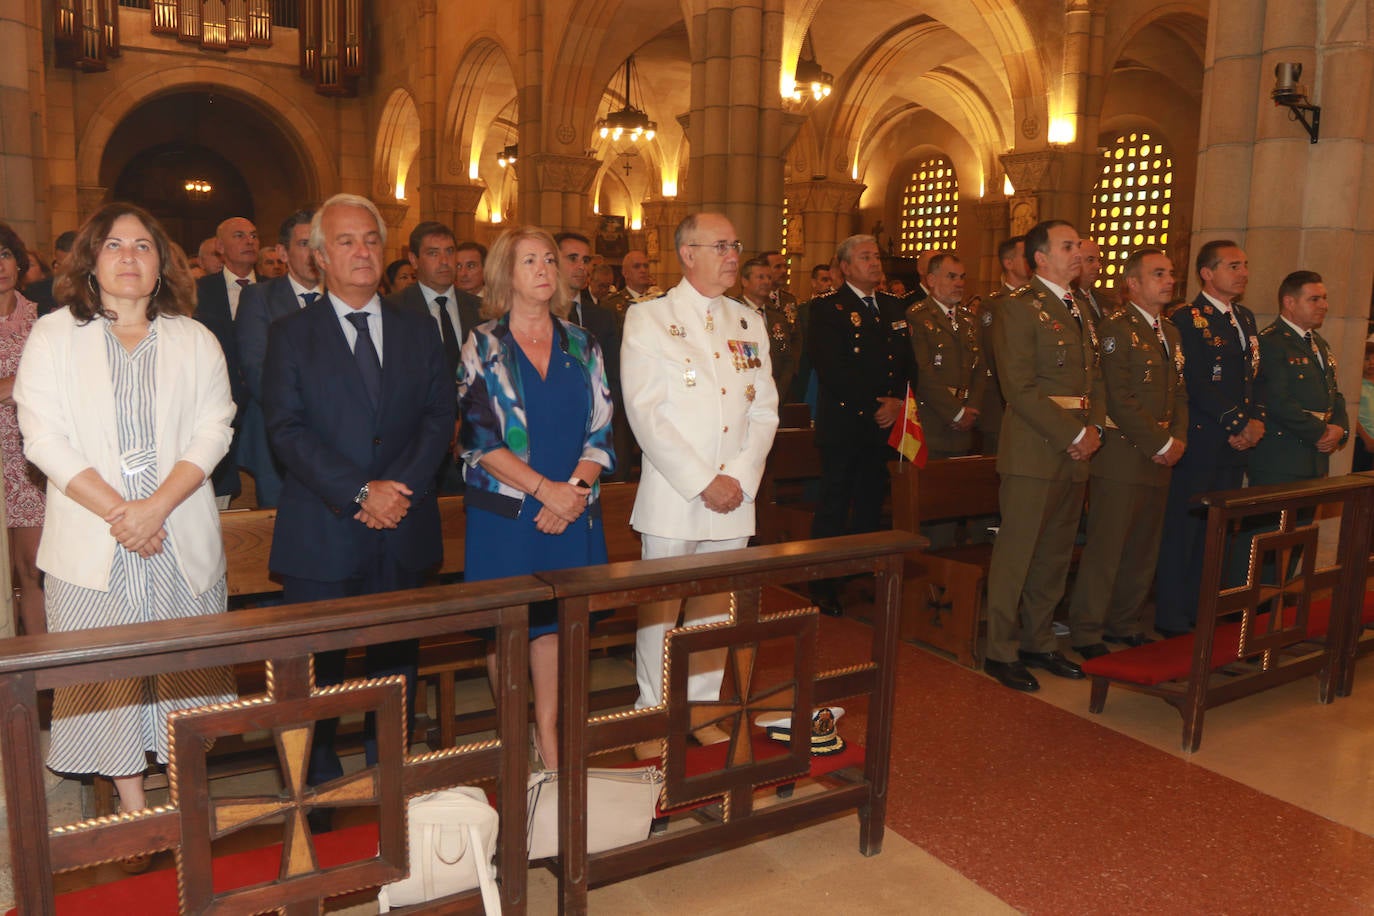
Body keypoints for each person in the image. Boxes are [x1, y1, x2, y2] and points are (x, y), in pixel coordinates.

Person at [13, 203, 236, 837]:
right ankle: (136, 810)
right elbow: (42, 437)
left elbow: (214, 428)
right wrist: (123, 514)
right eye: (114, 245)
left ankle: (184, 794)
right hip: (94, 534)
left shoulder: (196, 339)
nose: (130, 256)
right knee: (107, 679)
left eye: (143, 245)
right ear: (91, 260)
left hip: (177, 530)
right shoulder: (55, 335)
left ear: (162, 262)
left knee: (184, 672)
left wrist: (156, 508)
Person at [262, 194, 453, 810]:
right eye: (346, 241)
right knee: (318, 673)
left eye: (371, 239)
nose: (362, 251)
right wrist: (359, 492)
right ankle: (315, 793)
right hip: (323, 530)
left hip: (402, 525)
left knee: (397, 667)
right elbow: (286, 429)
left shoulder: (417, 327)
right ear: (318, 257)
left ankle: (391, 777)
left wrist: (397, 490)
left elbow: (438, 415)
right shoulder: (290, 334)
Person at [621, 212, 779, 756]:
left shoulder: (747, 321)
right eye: (720, 245)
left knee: (717, 609)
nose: (733, 254)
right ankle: (652, 715)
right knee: (661, 612)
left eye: (735, 244)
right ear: (687, 253)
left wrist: (737, 478)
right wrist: (703, 480)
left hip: (734, 495)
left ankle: (704, 709)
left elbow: (766, 412)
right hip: (674, 492)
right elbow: (646, 414)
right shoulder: (649, 318)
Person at [457, 226, 615, 769]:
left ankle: (550, 738)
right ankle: (512, 736)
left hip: (572, 513)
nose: (545, 269)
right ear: (506, 273)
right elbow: (478, 440)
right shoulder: (484, 344)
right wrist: (544, 492)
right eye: (530, 261)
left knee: (553, 630)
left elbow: (602, 433)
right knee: (509, 629)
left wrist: (569, 495)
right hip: (507, 513)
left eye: (549, 259)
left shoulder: (583, 343)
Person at [982, 219, 1105, 692]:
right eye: (1068, 246)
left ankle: (1038, 641)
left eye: (1078, 246)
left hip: (1077, 448)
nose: (1078, 253)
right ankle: (1000, 649)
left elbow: (1095, 380)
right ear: (1040, 258)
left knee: (1054, 553)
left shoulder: (1081, 309)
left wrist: (1093, 429)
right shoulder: (1018, 309)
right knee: (1018, 552)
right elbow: (1019, 387)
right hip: (1035, 449)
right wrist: (1072, 433)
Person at [1066, 248, 1187, 659]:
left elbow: (1179, 393)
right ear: (1132, 283)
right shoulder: (1116, 328)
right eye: (1158, 274)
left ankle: (1125, 621)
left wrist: (1178, 439)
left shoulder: (1169, 332)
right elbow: (1118, 396)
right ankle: (1086, 630)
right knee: (1108, 546)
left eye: (1170, 273)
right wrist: (1161, 442)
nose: (1169, 280)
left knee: (1142, 546)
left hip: (1161, 454)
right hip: (1122, 454)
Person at [1153, 240, 1264, 637]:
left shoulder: (1245, 318)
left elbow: (1253, 378)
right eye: (1234, 265)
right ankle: (1171, 616)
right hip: (1201, 441)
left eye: (1245, 265)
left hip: (1234, 444)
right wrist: (1237, 424)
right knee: (1185, 531)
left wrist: (1255, 423)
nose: (1244, 272)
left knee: (1217, 532)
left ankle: (1202, 610)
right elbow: (1195, 382)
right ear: (1207, 272)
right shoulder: (1187, 318)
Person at [807, 234, 916, 616]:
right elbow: (832, 369)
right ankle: (823, 581)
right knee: (835, 504)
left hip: (884, 424)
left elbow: (905, 362)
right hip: (846, 423)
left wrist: (898, 401)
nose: (875, 262)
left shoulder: (892, 306)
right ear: (846, 267)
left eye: (876, 256)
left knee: (871, 503)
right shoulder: (828, 309)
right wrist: (875, 405)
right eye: (865, 257)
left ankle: (860, 573)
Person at [385, 221, 482, 494]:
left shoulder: (480, 310)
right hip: (414, 444)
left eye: (450, 251)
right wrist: (439, 425)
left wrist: (468, 419)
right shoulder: (392, 310)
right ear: (414, 260)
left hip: (474, 440)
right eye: (433, 253)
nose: (444, 261)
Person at [234, 209, 320, 508]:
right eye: (304, 243)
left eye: (320, 243)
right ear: (283, 252)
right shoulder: (259, 297)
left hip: (339, 442)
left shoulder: (342, 299)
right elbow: (258, 372)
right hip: (277, 437)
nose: (314, 253)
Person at [1249, 271, 1348, 486]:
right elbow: (1277, 400)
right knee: (1274, 520)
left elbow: (1334, 393)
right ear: (1289, 302)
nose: (1324, 305)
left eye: (1324, 298)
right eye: (1314, 299)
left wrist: (1340, 428)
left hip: (1315, 459)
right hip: (1281, 459)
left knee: (1306, 521)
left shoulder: (1319, 344)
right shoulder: (1272, 342)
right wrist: (1321, 432)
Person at [194, 216, 259, 507]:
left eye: (254, 235)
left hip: (263, 414)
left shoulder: (275, 291)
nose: (249, 241)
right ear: (220, 246)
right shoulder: (199, 291)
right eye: (239, 235)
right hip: (218, 409)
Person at [0, 224, 46, 634]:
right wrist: (19, 383)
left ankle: (43, 674)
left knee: (31, 568)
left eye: (5, 254)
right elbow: (31, 382)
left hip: (30, 458)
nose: (0, 265)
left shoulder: (43, 319)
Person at [906, 253, 984, 460]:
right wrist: (956, 413)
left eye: (962, 277)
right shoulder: (918, 316)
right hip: (931, 422)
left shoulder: (968, 320)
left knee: (957, 490)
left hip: (965, 425)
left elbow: (980, 368)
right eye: (951, 277)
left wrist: (972, 409)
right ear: (931, 280)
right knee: (927, 488)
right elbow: (922, 372)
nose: (959, 283)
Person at [973, 235, 1028, 456]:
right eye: (1026, 256)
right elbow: (993, 357)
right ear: (1009, 263)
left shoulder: (1037, 302)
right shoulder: (994, 304)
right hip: (1002, 407)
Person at [741, 256, 803, 400]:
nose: (766, 282)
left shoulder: (777, 316)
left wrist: (777, 392)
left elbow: (788, 359)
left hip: (776, 394)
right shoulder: (732, 313)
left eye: (769, 277)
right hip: (743, 394)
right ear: (745, 281)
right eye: (760, 277)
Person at [23, 230, 76, 317]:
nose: (68, 273)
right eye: (62, 266)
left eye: (73, 266)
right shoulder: (36, 294)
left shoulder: (97, 292)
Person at [1355, 341, 1374, 473]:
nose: (1371, 363)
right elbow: (1352, 415)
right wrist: (1367, 439)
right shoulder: (1356, 385)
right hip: (1362, 440)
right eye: (1366, 359)